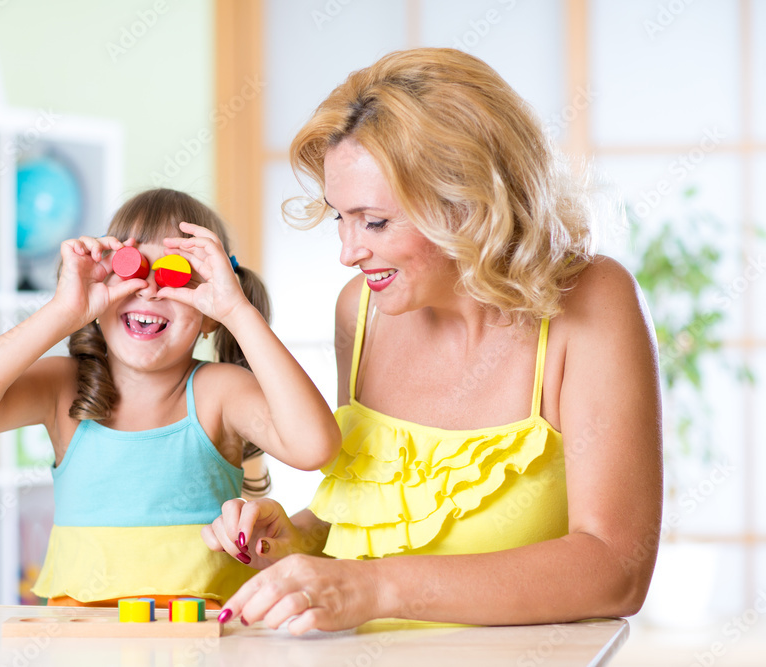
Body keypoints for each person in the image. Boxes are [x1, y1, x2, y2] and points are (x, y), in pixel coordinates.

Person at [202, 48, 662, 631]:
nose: (348, 251)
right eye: (337, 217)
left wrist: (375, 588)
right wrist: (296, 540)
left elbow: (615, 568)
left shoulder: (591, 301)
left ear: (469, 204)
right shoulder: (361, 311)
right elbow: (376, 514)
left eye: (374, 222)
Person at [0, 188, 342, 608]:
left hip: (200, 641)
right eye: (132, 269)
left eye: (178, 275)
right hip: (82, 640)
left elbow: (314, 447)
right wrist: (62, 312)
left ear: (209, 314)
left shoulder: (218, 391)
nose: (151, 291)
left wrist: (236, 310)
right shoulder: (66, 386)